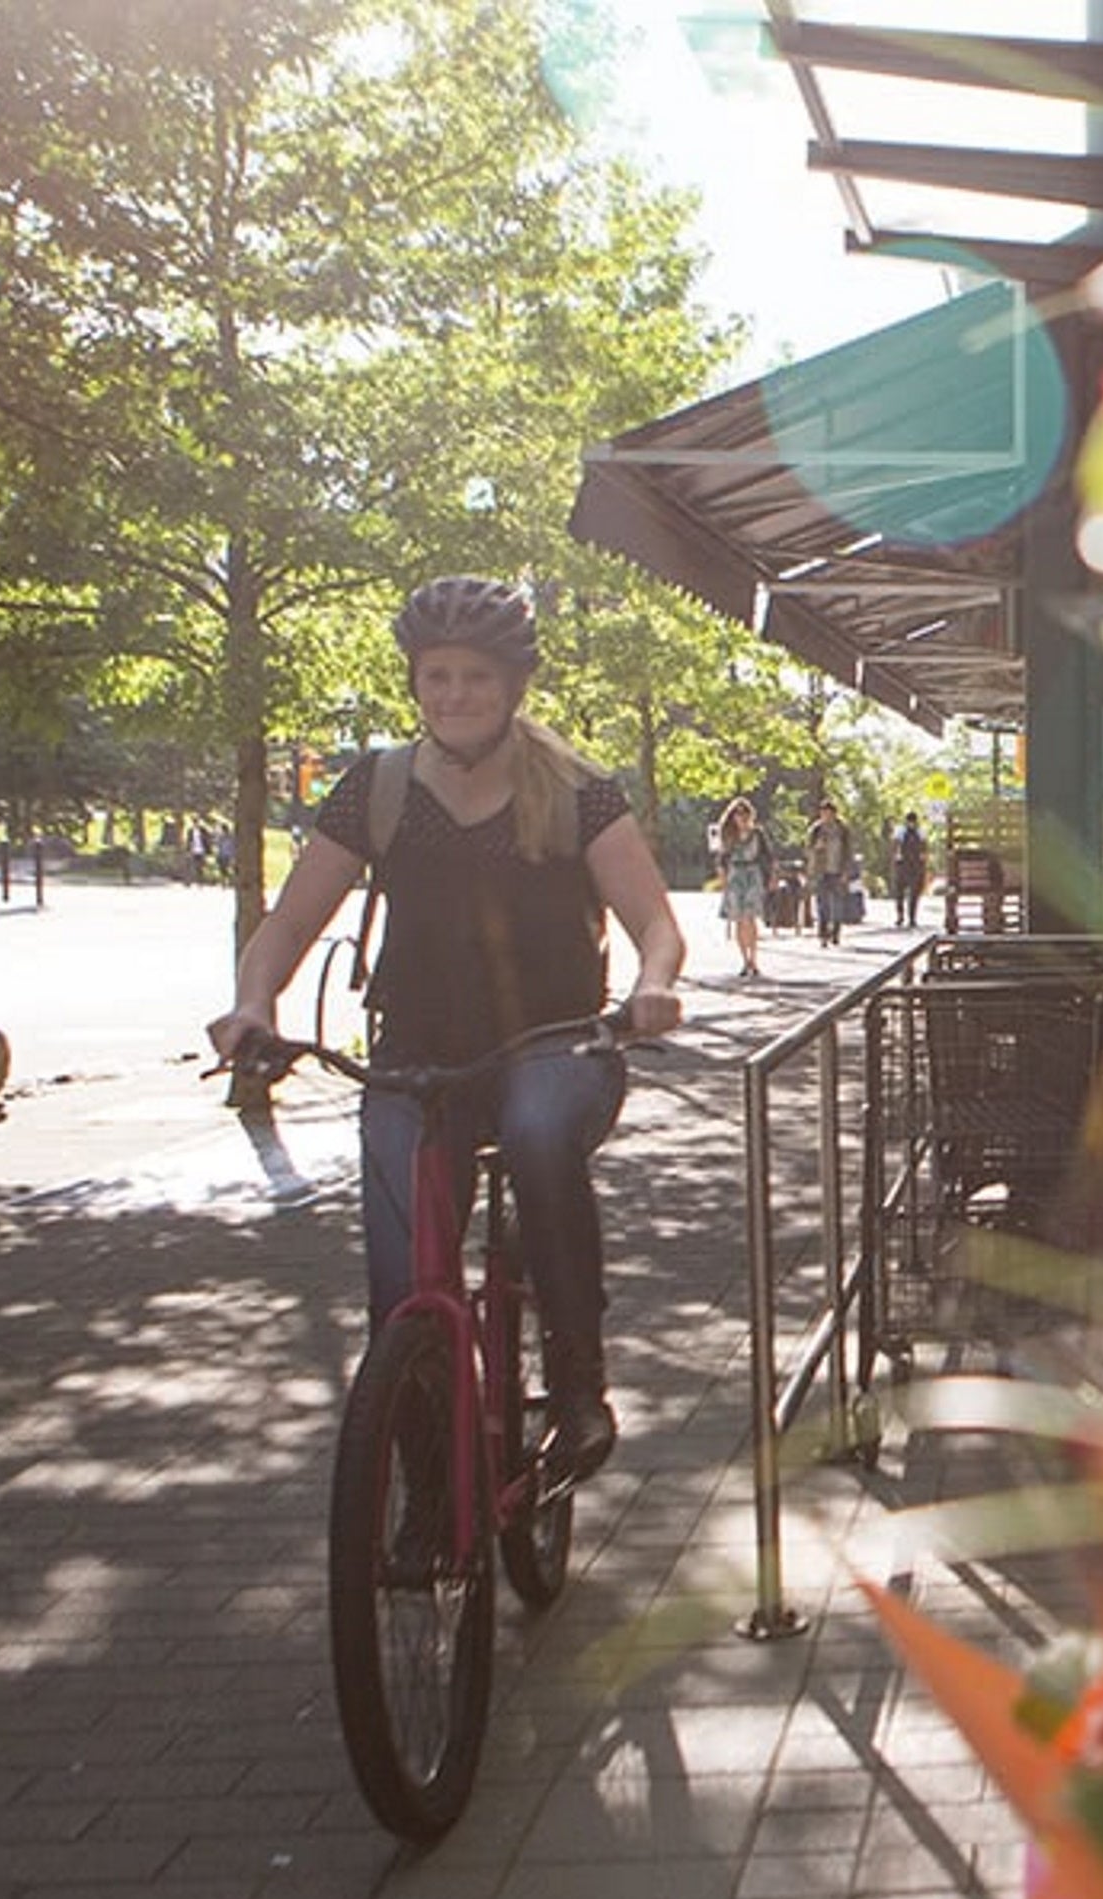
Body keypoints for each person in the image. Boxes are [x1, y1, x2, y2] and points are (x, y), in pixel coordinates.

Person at [208, 576, 683, 1485]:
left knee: (542, 1138)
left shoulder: (579, 791)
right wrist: (253, 1003)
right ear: (415, 683)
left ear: (512, 687)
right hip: (416, 1055)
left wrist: (655, 987)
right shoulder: (377, 790)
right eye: (437, 677)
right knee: (400, 1277)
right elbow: (290, 921)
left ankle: (578, 1381)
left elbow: (656, 923)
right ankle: (427, 1473)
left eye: (474, 677)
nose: (455, 694)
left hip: (553, 1045)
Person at [715, 796, 772, 977]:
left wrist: (770, 877)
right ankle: (744, 959)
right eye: (738, 814)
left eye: (745, 813)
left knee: (750, 918)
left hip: (753, 874)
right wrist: (722, 878)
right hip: (735, 876)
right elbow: (721, 859)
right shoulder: (728, 835)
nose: (742, 817)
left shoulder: (758, 834)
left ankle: (754, 959)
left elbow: (767, 856)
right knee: (739, 919)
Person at [804, 798, 854, 948]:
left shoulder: (843, 830)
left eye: (829, 813)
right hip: (820, 871)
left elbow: (848, 852)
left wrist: (846, 871)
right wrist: (815, 848)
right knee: (822, 904)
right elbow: (807, 850)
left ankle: (836, 932)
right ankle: (823, 934)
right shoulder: (815, 830)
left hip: (837, 870)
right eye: (823, 813)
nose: (826, 816)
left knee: (837, 904)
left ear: (834, 814)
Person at [892, 809, 928, 929]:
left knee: (914, 894)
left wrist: (923, 860)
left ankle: (912, 917)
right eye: (909, 822)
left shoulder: (921, 832)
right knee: (899, 893)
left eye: (913, 822)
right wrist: (897, 857)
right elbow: (896, 846)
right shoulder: (900, 832)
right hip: (903, 865)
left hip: (915, 866)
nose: (911, 824)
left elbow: (924, 847)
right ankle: (900, 915)